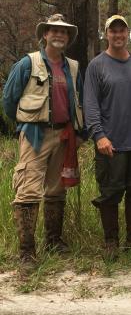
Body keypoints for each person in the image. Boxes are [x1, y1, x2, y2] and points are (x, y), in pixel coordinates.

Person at [3, 14, 84, 263]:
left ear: (68, 38)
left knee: (57, 189)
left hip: (63, 134)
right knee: (27, 191)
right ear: (45, 35)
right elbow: (8, 99)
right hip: (35, 134)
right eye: (54, 31)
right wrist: (23, 126)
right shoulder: (28, 63)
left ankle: (53, 241)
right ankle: (27, 253)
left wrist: (79, 132)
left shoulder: (73, 66)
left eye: (64, 32)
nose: (59, 35)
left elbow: (78, 101)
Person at [84, 15, 131, 258]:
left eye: (122, 31)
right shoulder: (96, 65)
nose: (118, 35)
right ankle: (110, 242)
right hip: (110, 144)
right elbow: (90, 105)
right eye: (113, 31)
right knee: (110, 194)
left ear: (128, 33)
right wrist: (99, 136)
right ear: (106, 34)